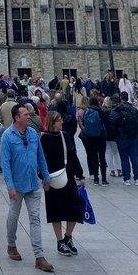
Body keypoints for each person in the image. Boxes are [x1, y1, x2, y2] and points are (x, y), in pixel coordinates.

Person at [0, 103, 54, 271]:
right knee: (13, 217)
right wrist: (10, 186)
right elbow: (5, 163)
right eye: (25, 114)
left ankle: (39, 256)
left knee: (35, 218)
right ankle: (11, 244)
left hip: (33, 183)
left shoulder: (32, 133)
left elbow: (40, 156)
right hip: (17, 185)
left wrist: (46, 176)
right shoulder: (8, 136)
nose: (29, 116)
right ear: (17, 118)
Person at [40, 109, 85, 257]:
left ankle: (68, 237)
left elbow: (73, 156)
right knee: (56, 211)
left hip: (68, 177)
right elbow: (41, 160)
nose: (62, 122)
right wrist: (43, 177)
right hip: (52, 178)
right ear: (52, 122)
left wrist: (80, 175)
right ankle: (59, 241)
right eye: (59, 120)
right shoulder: (45, 138)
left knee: (74, 208)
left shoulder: (65, 136)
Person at [110, 92, 138, 185]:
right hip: (133, 136)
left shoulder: (117, 109)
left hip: (122, 136)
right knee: (134, 157)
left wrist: (115, 135)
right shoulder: (133, 109)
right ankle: (137, 179)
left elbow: (113, 122)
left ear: (120, 98)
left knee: (124, 158)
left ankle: (126, 179)